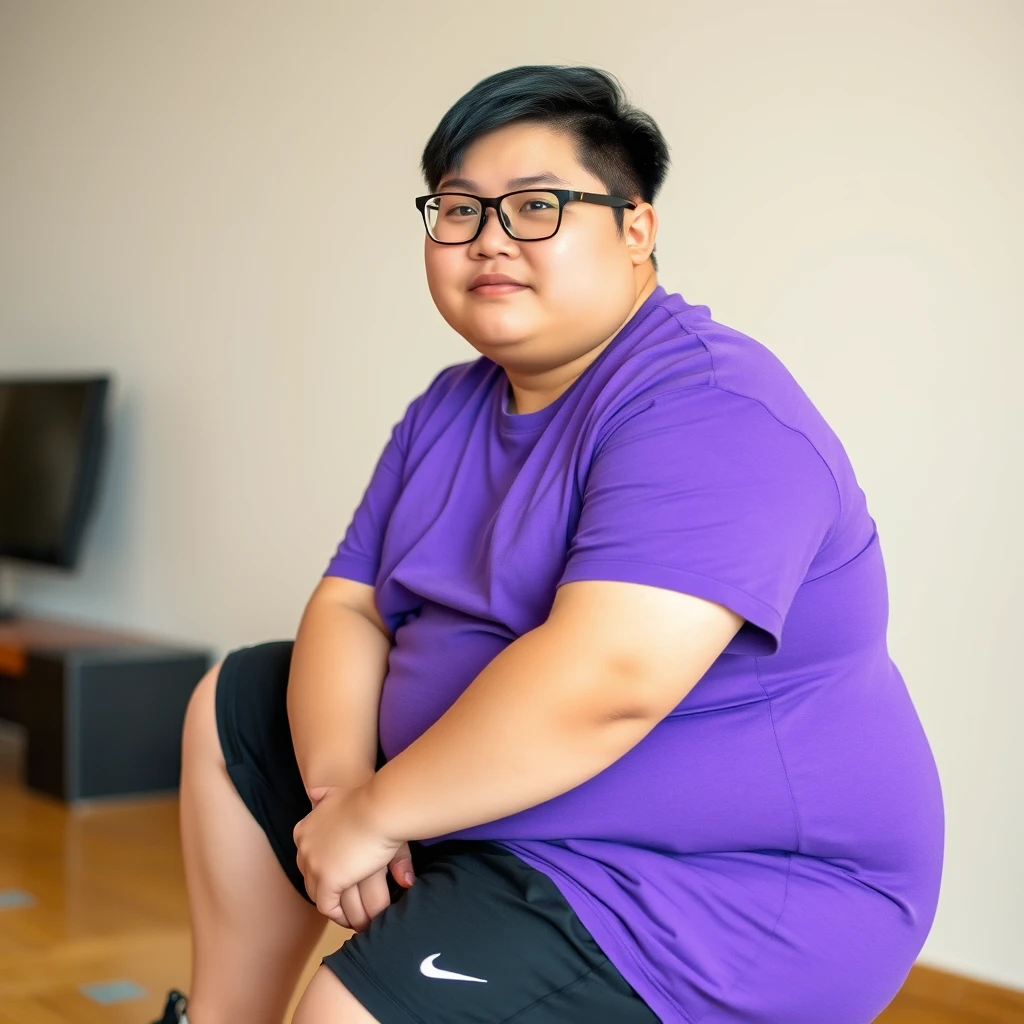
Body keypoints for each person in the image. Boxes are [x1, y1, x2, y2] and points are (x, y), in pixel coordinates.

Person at [154, 65, 944, 1024]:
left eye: (535, 206)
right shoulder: (449, 405)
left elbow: (610, 680)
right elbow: (352, 605)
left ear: (635, 228)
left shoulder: (710, 407)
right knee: (239, 702)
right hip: (487, 824)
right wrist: (341, 790)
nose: (489, 238)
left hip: (706, 892)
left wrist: (375, 817)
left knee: (345, 1015)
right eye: (458, 209)